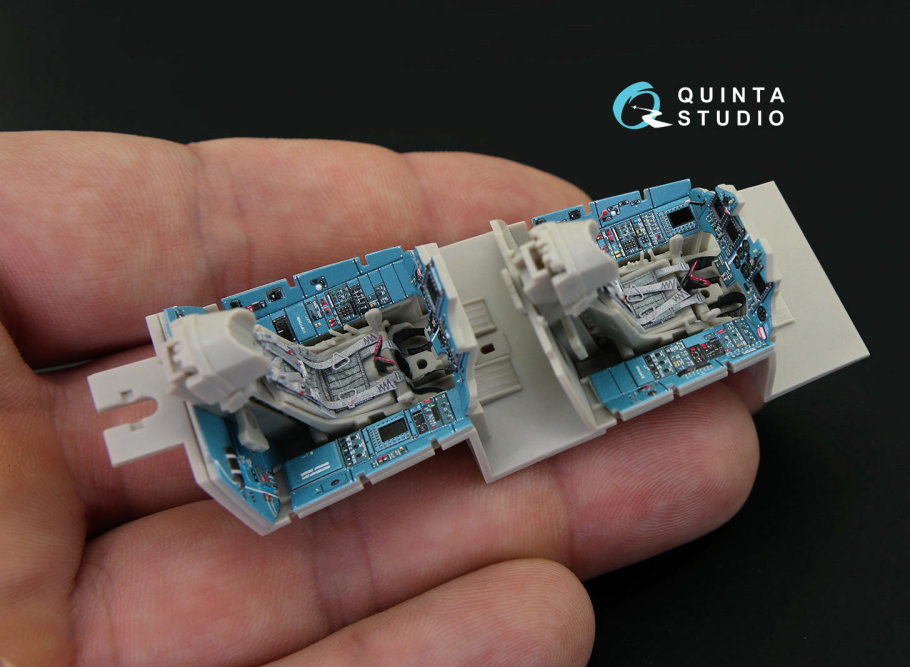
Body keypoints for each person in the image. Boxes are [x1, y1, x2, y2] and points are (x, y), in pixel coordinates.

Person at [0, 131, 761, 666]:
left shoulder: (615, 290)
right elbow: (327, 402)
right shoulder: (274, 382)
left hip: (459, 353)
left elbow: (627, 323)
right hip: (386, 377)